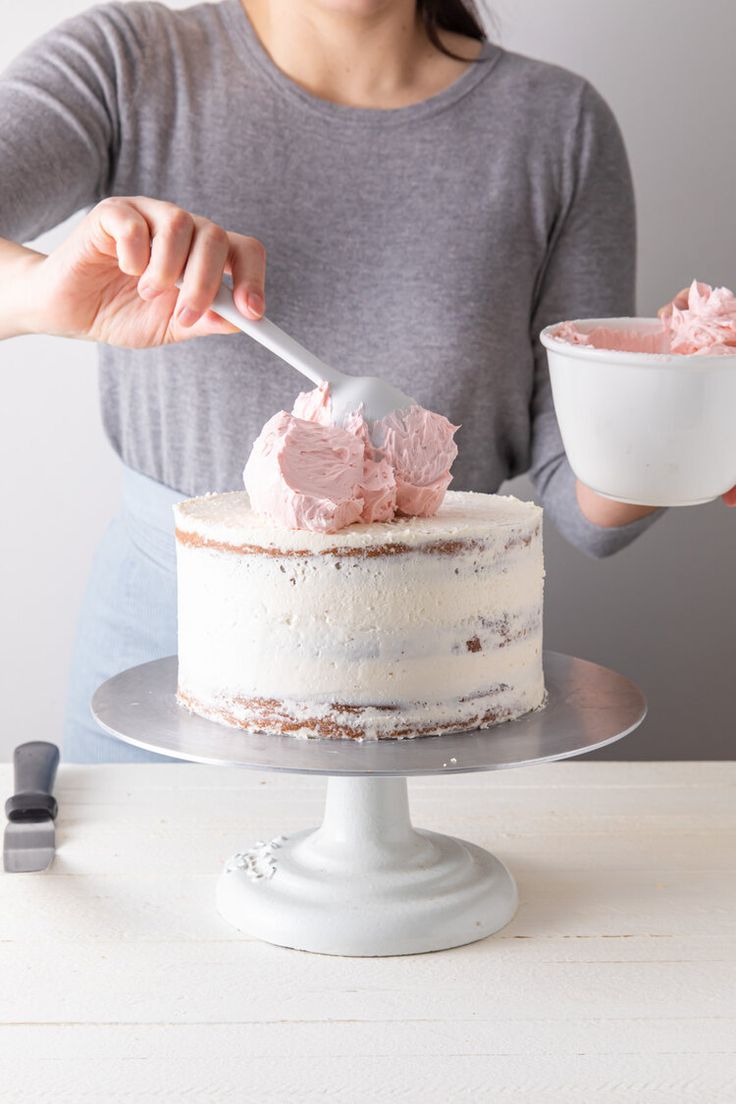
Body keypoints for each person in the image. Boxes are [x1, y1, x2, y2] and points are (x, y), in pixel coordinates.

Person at [0, 0, 696, 762]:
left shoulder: (558, 125)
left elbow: (586, 501)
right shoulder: (128, 61)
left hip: (429, 688)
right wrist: (40, 295)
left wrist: (688, 413)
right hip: (154, 674)